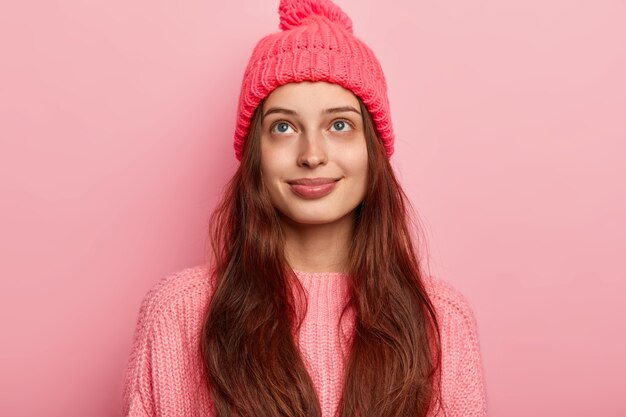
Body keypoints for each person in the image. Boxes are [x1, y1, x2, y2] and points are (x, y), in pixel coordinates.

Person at [121, 1, 488, 416]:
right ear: (256, 152)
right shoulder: (178, 313)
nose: (312, 155)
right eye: (283, 127)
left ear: (372, 150)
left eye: (339, 125)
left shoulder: (441, 321)